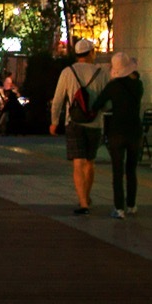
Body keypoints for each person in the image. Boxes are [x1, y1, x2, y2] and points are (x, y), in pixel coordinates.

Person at [49, 38, 109, 215]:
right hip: (95, 123)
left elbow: (58, 99)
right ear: (91, 52)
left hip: (74, 123)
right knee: (90, 163)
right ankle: (86, 196)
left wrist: (54, 122)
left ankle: (83, 203)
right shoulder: (102, 72)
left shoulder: (68, 72)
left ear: (77, 54)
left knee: (78, 163)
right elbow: (107, 102)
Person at [88, 53, 144, 218]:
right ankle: (132, 204)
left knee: (117, 171)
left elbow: (98, 103)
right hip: (135, 130)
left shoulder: (113, 86)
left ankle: (119, 208)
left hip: (117, 131)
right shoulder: (138, 85)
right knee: (131, 170)